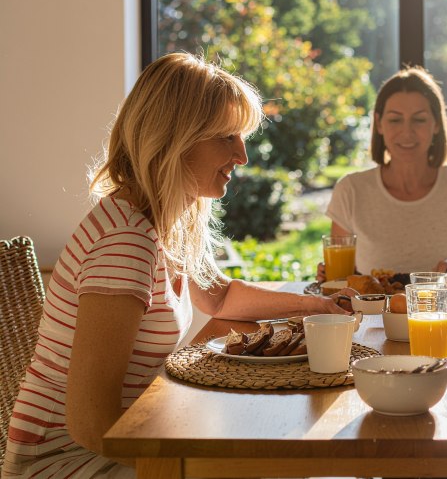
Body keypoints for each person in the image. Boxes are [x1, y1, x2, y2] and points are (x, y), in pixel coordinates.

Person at [2, 52, 354, 479]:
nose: (241, 156)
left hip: (124, 437)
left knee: (241, 344)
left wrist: (319, 308)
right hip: (65, 463)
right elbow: (89, 424)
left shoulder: (164, 220)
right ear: (174, 139)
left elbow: (221, 299)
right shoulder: (125, 241)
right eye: (227, 137)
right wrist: (203, 460)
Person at [318, 66, 447, 283]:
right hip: (372, 317)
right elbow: (340, 281)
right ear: (380, 123)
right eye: (395, 120)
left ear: (436, 124)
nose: (407, 132)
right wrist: (329, 278)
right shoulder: (350, 190)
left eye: (419, 119)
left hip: (445, 315)